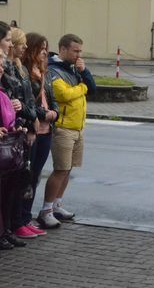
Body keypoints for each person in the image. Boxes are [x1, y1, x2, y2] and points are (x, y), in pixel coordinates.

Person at [38, 34, 95, 229]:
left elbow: (92, 88)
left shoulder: (74, 68)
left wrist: (84, 71)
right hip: (63, 128)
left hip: (78, 127)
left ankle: (57, 204)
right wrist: (82, 87)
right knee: (60, 169)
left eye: (80, 51)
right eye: (75, 51)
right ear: (63, 49)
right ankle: (45, 210)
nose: (79, 55)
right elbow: (62, 94)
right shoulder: (54, 70)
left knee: (68, 169)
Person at [18, 33, 58, 237]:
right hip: (33, 129)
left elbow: (51, 98)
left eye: (46, 47)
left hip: (46, 131)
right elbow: (29, 103)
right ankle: (19, 220)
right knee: (26, 177)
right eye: (41, 47)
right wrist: (46, 114)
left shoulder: (44, 72)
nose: (44, 51)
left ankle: (26, 216)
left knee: (35, 177)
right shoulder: (24, 72)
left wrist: (55, 113)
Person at [3, 27, 38, 241]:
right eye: (17, 42)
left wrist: (31, 122)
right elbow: (12, 101)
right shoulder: (9, 69)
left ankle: (15, 223)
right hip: (14, 129)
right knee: (10, 185)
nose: (23, 47)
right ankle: (12, 225)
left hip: (23, 126)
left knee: (19, 181)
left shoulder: (20, 69)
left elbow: (28, 100)